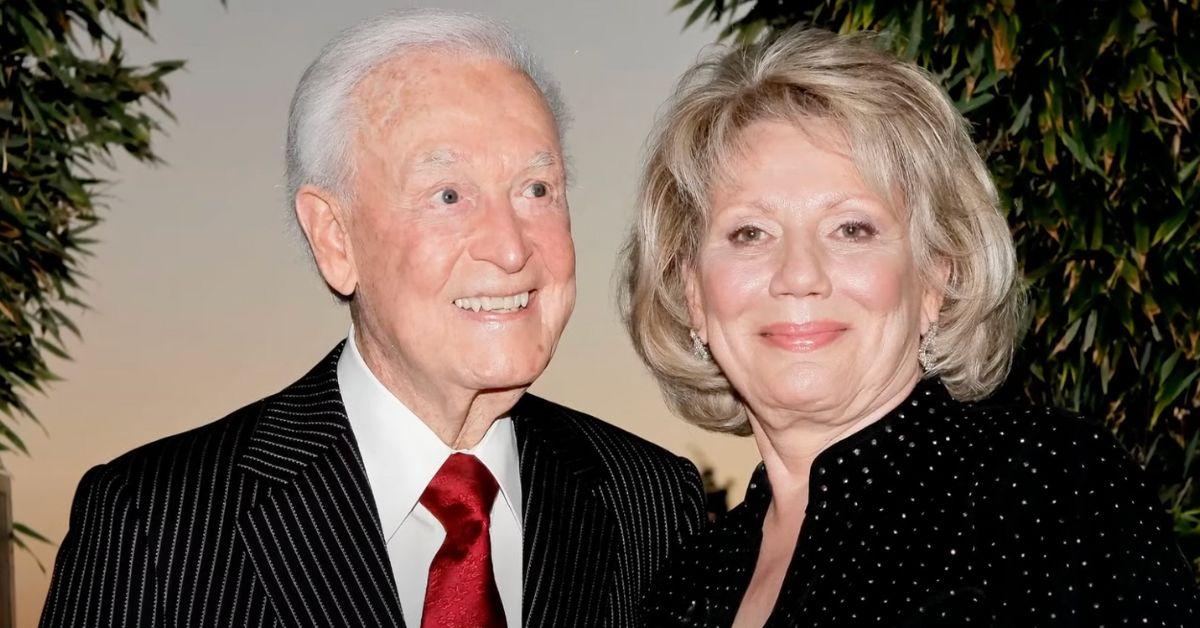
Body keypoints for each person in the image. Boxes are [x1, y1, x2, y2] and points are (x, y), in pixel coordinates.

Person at [40, 9, 706, 628]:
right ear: (334, 238)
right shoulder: (157, 523)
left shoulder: (649, 503)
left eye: (537, 189)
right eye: (448, 195)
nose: (510, 247)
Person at [622, 26, 1200, 627]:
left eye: (851, 229)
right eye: (750, 233)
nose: (798, 275)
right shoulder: (685, 583)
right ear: (693, 294)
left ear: (934, 280)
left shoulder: (1042, 488)